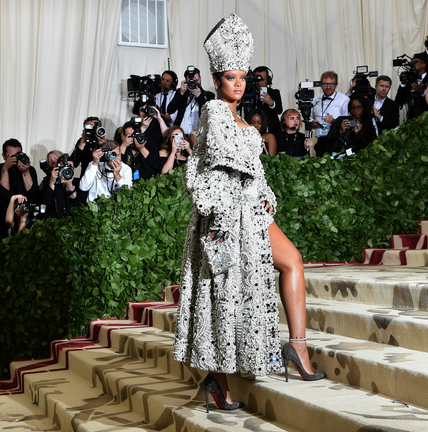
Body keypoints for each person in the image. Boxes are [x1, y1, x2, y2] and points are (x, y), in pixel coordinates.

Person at [173, 13, 325, 413]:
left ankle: (297, 347)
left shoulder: (242, 118)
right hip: (225, 217)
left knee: (292, 260)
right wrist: (223, 215)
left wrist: (263, 196)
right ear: (217, 80)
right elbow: (210, 168)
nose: (238, 84)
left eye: (243, 77)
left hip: (252, 215)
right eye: (230, 77)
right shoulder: (213, 112)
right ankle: (218, 382)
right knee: (220, 294)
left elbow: (254, 173)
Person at [0, 138, 39, 224]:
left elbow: (33, 194)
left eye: (18, 155)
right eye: (12, 156)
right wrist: (5, 169)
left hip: (25, 214)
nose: (15, 159)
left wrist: (25, 172)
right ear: (4, 156)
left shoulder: (30, 170)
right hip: (1, 216)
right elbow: (3, 194)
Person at [166, 66, 216, 135]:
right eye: (190, 80)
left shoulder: (209, 95)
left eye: (196, 80)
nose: (193, 83)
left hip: (200, 136)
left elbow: (211, 113)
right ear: (186, 80)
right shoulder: (181, 93)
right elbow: (170, 110)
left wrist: (199, 97)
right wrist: (181, 93)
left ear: (200, 79)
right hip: (182, 136)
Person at [131, 101, 169, 182]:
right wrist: (143, 128)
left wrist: (159, 118)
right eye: (141, 110)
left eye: (147, 109)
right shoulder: (136, 122)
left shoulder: (160, 121)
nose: (144, 112)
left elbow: (168, 137)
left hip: (158, 157)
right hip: (142, 158)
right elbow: (133, 143)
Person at [310, 71, 349, 139]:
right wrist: (312, 123)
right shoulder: (316, 98)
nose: (328, 87)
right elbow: (310, 118)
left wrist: (334, 121)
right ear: (321, 85)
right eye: (325, 84)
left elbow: (349, 122)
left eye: (331, 84)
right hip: (319, 139)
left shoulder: (344, 99)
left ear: (336, 85)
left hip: (337, 138)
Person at [251, 66, 284, 134]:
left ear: (268, 80)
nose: (259, 83)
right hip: (252, 131)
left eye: (262, 80)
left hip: (272, 131)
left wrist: (272, 103)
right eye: (257, 80)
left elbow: (279, 110)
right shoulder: (248, 93)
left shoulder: (274, 93)